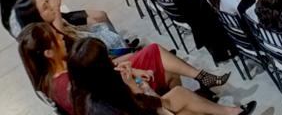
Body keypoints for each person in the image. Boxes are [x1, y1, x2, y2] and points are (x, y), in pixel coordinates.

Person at [19, 22, 252, 115]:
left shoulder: (65, 80)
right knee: (179, 95)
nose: (60, 38)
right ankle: (225, 109)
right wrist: (137, 85)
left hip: (129, 97)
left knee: (165, 69)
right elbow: (136, 105)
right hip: (133, 102)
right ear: (47, 53)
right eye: (55, 38)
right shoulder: (71, 87)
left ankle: (219, 104)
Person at [67, 36, 255, 115]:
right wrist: (136, 86)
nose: (112, 60)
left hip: (144, 103)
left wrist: (137, 80)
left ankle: (226, 110)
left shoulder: (92, 90)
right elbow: (147, 107)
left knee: (173, 81)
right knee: (183, 101)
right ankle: (227, 110)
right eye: (107, 59)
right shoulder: (105, 105)